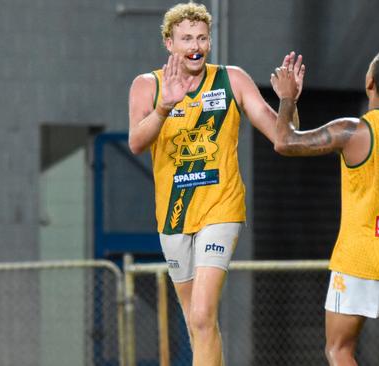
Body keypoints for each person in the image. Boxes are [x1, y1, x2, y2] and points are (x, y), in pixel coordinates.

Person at [128, 2, 305, 365]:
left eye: (202, 37)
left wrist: (288, 100)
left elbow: (284, 138)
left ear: (210, 41)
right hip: (174, 215)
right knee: (197, 323)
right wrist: (164, 108)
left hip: (221, 209)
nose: (195, 45)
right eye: (186, 38)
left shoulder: (232, 79)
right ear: (169, 43)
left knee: (202, 314)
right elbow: (136, 142)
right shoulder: (148, 85)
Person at [270, 48, 379, 366]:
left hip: (361, 260)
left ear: (370, 83)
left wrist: (287, 98)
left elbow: (284, 142)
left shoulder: (352, 130)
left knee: (339, 350)